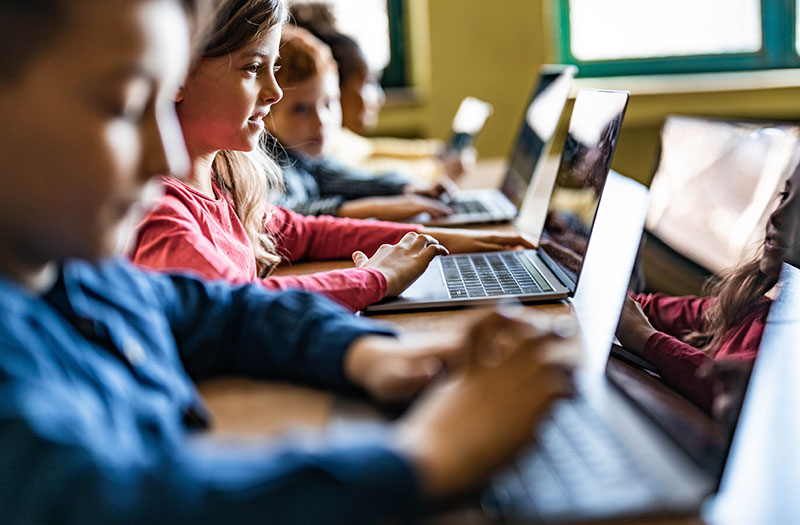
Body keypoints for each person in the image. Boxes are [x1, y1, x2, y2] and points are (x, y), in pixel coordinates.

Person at [0, 0, 576, 522]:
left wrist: (367, 354)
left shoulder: (72, 275)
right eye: (127, 107)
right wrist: (426, 456)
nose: (167, 152)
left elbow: (224, 313)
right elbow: (124, 504)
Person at [132, 19, 536, 311]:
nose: (274, 92)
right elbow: (242, 307)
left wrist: (430, 239)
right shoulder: (161, 212)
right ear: (177, 76)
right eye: (254, 68)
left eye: (273, 69)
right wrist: (376, 277)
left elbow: (303, 232)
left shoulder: (222, 184)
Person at [616, 166, 800, 413]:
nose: (777, 215)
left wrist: (645, 338)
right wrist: (581, 269)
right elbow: (645, 309)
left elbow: (734, 392)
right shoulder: (751, 308)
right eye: (783, 196)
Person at [264, 25, 452, 220]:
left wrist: (406, 187)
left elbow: (343, 177)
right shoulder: (266, 166)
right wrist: (374, 209)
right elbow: (284, 218)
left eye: (329, 103)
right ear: (264, 112)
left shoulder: (304, 157)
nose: (322, 121)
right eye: (301, 109)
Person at [289, 1, 473, 185]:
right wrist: (438, 169)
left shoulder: (339, 138)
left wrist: (435, 152)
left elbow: (370, 151)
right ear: (338, 86)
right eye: (368, 83)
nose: (379, 97)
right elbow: (366, 176)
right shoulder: (315, 145)